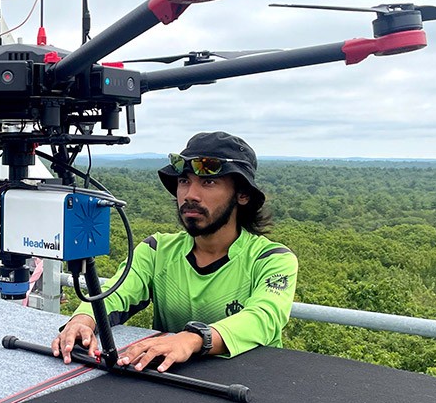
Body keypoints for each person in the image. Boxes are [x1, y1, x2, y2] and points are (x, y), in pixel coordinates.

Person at [52, 131, 297, 372]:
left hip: (250, 383)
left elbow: (263, 317)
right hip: (169, 384)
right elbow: (115, 293)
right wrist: (83, 320)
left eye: (208, 182)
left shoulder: (272, 260)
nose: (190, 195)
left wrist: (191, 340)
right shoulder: (157, 250)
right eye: (184, 181)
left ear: (242, 195)